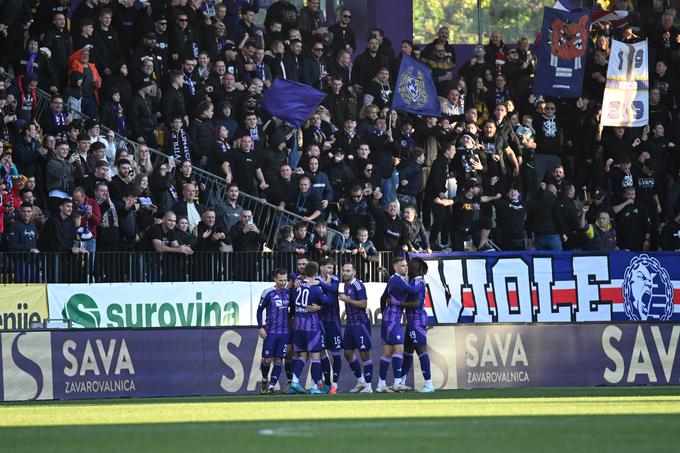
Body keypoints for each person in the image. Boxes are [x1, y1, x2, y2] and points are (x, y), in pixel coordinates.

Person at [377, 256, 424, 393]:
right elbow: (414, 291)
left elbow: (383, 297)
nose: (406, 267)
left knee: (387, 352)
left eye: (406, 265)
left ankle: (381, 384)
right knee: (399, 349)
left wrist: (384, 312)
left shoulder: (394, 279)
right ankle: (397, 382)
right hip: (393, 319)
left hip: (389, 318)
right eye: (403, 265)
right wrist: (421, 282)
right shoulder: (397, 280)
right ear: (396, 267)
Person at [289, 261, 330, 394]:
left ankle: (294, 380)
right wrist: (321, 306)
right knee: (315, 356)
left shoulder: (297, 285)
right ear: (317, 273)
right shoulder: (316, 289)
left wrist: (296, 279)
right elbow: (328, 302)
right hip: (311, 325)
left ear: (305, 272)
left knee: (303, 354)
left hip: (298, 324)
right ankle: (314, 387)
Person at [397, 257, 434, 393]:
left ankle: (429, 384)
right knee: (407, 352)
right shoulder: (412, 280)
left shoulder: (418, 281)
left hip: (417, 320)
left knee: (421, 351)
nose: (408, 267)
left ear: (417, 268)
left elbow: (417, 303)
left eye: (410, 265)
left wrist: (400, 304)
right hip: (411, 321)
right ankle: (401, 382)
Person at [256, 268, 292, 395]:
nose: (283, 282)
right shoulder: (268, 292)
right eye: (280, 280)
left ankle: (271, 387)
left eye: (285, 280)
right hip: (270, 331)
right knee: (267, 360)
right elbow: (259, 310)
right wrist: (260, 327)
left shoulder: (288, 293)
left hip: (285, 332)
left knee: (279, 360)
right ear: (275, 279)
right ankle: (264, 380)